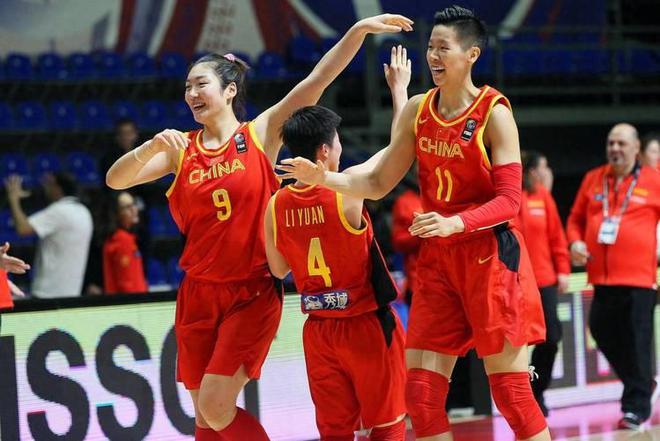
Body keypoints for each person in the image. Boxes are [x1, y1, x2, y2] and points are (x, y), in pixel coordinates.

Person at [106, 13, 413, 441]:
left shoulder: (259, 134)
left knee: (215, 406)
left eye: (201, 84)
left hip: (249, 290)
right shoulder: (180, 150)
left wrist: (357, 31)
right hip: (198, 291)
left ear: (230, 90)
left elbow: (317, 80)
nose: (191, 93)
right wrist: (148, 146)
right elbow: (115, 179)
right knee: (205, 416)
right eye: (187, 87)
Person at [278, 5, 550, 440]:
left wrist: (455, 223)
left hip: (490, 258)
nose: (433, 56)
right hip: (439, 261)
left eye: (444, 47)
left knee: (513, 397)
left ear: (472, 54)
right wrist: (323, 177)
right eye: (430, 47)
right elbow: (377, 182)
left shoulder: (494, 112)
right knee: (420, 398)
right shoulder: (417, 110)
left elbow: (510, 201)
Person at [264, 47, 410, 441]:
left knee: (334, 432)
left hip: (319, 331)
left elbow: (278, 269)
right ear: (325, 151)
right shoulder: (347, 189)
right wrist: (399, 89)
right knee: (387, 426)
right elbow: (399, 150)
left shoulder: (275, 204)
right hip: (363, 325)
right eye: (338, 141)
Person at [566, 123, 660, 431]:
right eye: (611, 143)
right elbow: (575, 219)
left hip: (640, 280)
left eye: (621, 144)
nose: (615, 149)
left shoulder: (654, 180)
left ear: (636, 148)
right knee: (601, 330)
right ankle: (641, 382)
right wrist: (575, 242)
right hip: (602, 278)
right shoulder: (594, 178)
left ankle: (635, 407)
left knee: (638, 342)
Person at [515, 150, 570, 416]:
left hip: (544, 280)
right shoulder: (508, 197)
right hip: (514, 281)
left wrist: (563, 269)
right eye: (544, 167)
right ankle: (520, 399)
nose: (548, 173)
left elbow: (556, 237)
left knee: (551, 338)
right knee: (517, 343)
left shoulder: (543, 197)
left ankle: (536, 392)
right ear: (532, 171)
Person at [5, 173, 93, 298]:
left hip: (47, 292)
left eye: (49, 184)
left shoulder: (60, 210)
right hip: (72, 291)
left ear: (58, 188)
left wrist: (13, 199)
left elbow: (23, 228)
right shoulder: (84, 212)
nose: (46, 188)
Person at [102, 191, 148, 294]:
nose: (134, 209)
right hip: (132, 302)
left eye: (133, 204)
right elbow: (126, 284)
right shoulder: (122, 240)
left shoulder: (125, 238)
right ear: (116, 214)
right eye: (127, 207)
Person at [390, 178, 422, 305]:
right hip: (418, 282)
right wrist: (422, 231)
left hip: (454, 279)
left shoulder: (452, 198)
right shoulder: (405, 202)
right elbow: (398, 241)